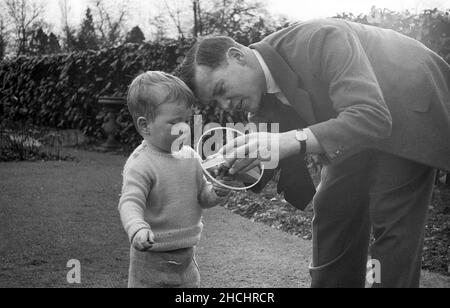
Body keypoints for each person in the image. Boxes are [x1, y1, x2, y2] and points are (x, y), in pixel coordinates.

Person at [177, 18, 450, 288]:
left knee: (390, 223)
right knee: (331, 205)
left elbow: (372, 117)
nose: (225, 104)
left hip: (409, 104)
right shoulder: (260, 99)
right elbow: (268, 156)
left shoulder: (321, 38)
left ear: (237, 56)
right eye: (216, 101)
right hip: (355, 122)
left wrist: (289, 139)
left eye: (221, 90)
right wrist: (231, 174)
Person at [118, 71, 226, 288]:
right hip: (150, 255)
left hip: (186, 254)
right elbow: (130, 202)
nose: (184, 128)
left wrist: (218, 191)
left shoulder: (190, 156)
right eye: (174, 122)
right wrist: (137, 228)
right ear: (145, 125)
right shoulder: (141, 163)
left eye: (186, 121)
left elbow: (202, 196)